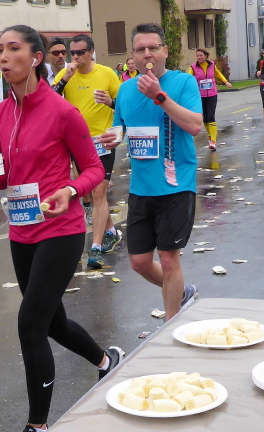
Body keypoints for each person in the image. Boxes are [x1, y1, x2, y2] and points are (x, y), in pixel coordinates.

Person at [0, 25, 124, 432]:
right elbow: (1, 177)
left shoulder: (63, 112)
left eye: (13, 49)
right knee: (51, 322)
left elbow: (93, 169)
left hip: (61, 230)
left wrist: (71, 190)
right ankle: (107, 361)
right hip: (21, 230)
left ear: (36, 58)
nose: (3, 57)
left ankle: (37, 425)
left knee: (30, 324)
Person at [100, 22, 202, 321]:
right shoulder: (126, 89)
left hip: (176, 184)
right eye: (140, 49)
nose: (147, 54)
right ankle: (181, 292)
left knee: (169, 260)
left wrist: (159, 96)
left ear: (165, 51)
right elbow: (121, 127)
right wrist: (114, 137)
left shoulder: (183, 83)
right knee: (140, 262)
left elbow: (195, 126)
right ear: (133, 55)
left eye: (153, 48)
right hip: (141, 187)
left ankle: (171, 325)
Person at [52, 34, 122, 268]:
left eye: (80, 52)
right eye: (72, 52)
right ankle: (111, 231)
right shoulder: (66, 74)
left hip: (103, 140)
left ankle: (95, 248)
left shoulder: (107, 73)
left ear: (91, 52)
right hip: (77, 143)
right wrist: (65, 79)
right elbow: (48, 101)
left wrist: (110, 102)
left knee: (99, 192)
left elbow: (124, 105)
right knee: (89, 193)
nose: (75, 57)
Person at [186, 48, 231, 151]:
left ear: (206, 56)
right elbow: (188, 78)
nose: (199, 57)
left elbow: (218, 73)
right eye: (197, 56)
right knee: (205, 119)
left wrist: (225, 81)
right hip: (200, 95)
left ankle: (213, 141)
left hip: (212, 94)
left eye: (201, 55)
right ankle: (210, 135)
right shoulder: (193, 67)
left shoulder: (211, 65)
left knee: (211, 116)